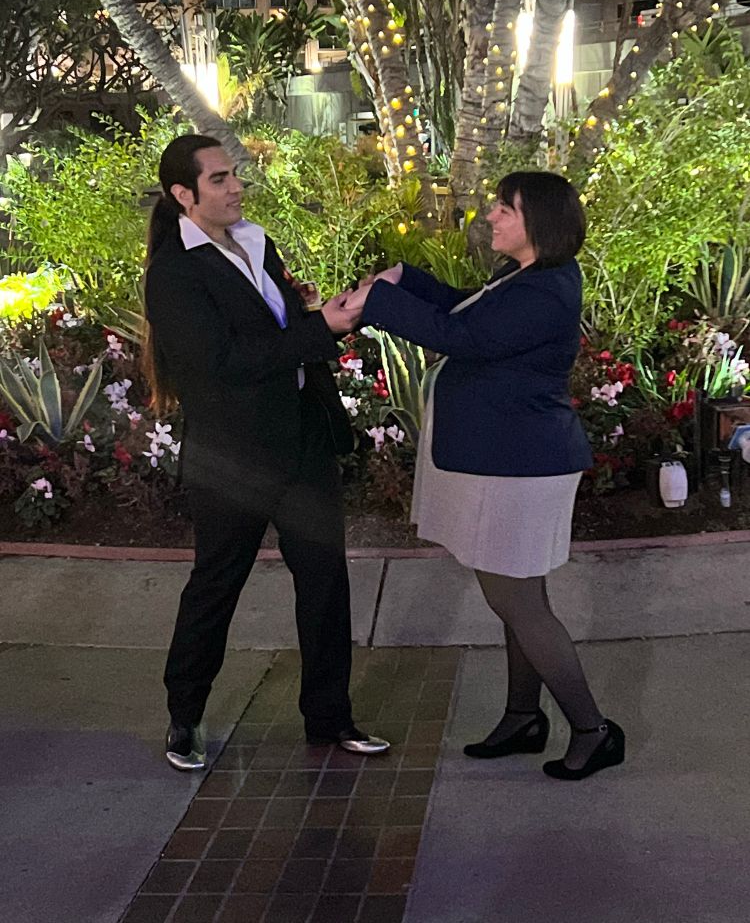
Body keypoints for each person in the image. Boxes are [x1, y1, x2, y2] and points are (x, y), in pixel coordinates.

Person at [344, 171, 624, 780]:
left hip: (520, 466)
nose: (490, 216)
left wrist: (376, 304)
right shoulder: (524, 277)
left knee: (517, 599)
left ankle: (593, 729)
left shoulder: (543, 291)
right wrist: (405, 281)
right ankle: (524, 717)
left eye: (505, 208)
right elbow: (465, 310)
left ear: (539, 224)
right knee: (520, 599)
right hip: (509, 461)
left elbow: (460, 337)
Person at [143, 134, 388, 770]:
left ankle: (331, 719)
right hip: (232, 459)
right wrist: (320, 329)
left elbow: (274, 330)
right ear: (183, 195)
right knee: (216, 586)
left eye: (235, 176)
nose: (236, 187)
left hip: (301, 443)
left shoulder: (255, 241)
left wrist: (317, 312)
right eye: (220, 179)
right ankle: (185, 717)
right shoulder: (174, 273)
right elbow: (223, 364)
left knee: (326, 583)